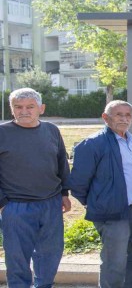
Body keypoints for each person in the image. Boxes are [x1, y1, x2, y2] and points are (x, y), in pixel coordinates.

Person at [70, 100, 132, 288]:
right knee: (114, 261)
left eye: (128, 115)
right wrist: (99, 202)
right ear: (105, 118)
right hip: (113, 211)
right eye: (118, 114)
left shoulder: (131, 140)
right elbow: (78, 183)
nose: (124, 118)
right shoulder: (92, 143)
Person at [0, 88, 71, 287]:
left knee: (50, 254)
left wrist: (64, 193)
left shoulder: (51, 130)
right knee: (17, 258)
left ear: (41, 108)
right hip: (16, 207)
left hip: (50, 204)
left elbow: (61, 162)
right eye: (18, 107)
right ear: (11, 109)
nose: (24, 111)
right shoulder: (2, 133)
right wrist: (3, 204)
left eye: (30, 107)